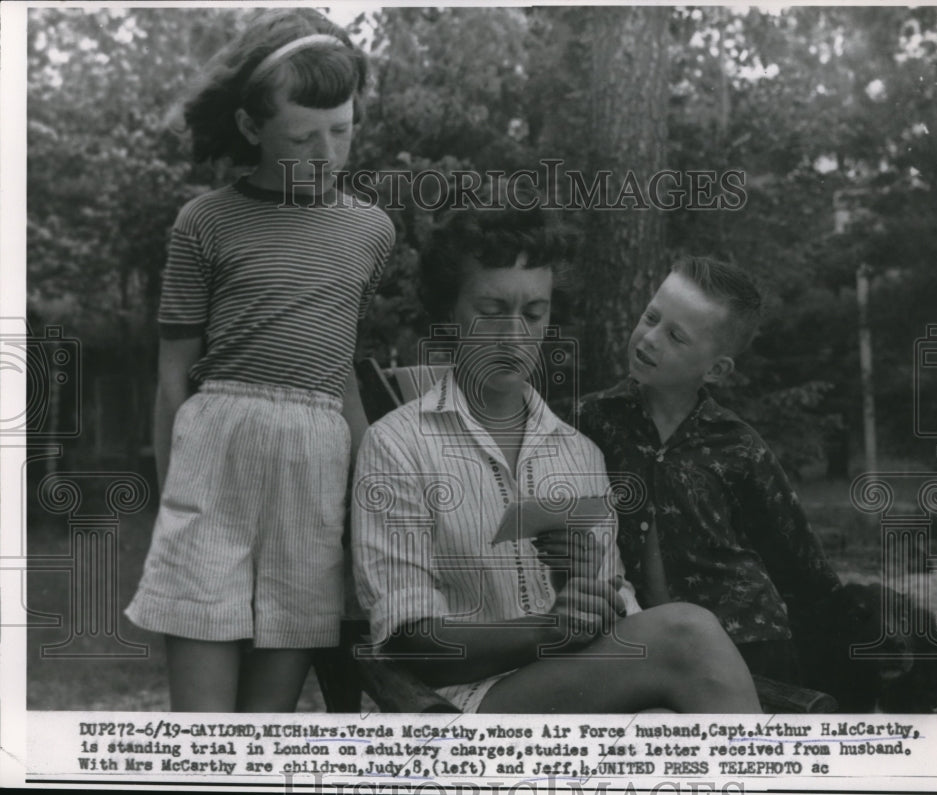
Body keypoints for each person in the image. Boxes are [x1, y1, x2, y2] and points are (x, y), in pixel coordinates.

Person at [351, 203, 761, 714]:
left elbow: (614, 612)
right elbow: (410, 641)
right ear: (447, 313)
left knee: (669, 725)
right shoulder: (398, 445)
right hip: (455, 706)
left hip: (572, 689)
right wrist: (546, 630)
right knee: (687, 633)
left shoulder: (577, 453)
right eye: (491, 309)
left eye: (533, 313)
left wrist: (592, 606)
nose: (514, 335)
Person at [125, 9, 395, 712]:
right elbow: (173, 373)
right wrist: (169, 498)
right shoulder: (205, 222)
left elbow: (336, 369)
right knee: (204, 728)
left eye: (342, 130)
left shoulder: (371, 230)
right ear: (251, 129)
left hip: (316, 463)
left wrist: (377, 496)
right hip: (215, 453)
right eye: (302, 137)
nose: (326, 154)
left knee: (265, 725)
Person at [578, 256, 841, 682]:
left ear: (716, 369)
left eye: (676, 336)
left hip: (747, 644)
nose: (650, 338)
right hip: (640, 642)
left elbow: (803, 567)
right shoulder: (589, 421)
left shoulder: (737, 447)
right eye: (651, 317)